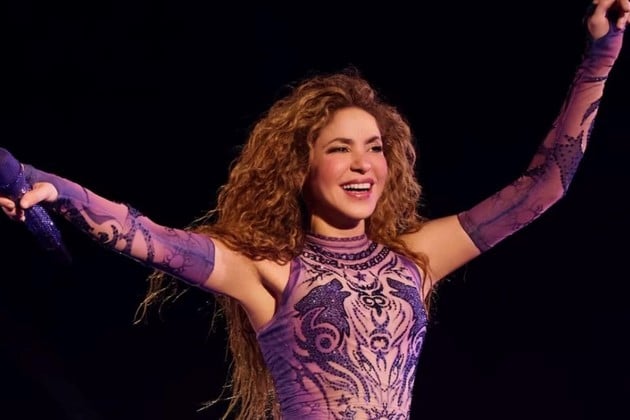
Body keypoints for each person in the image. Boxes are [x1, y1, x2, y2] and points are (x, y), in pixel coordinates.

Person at [1, 1, 628, 419]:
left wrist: (600, 56)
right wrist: (53, 189)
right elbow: (148, 235)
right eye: (339, 149)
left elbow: (542, 187)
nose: (363, 164)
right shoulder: (266, 267)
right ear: (301, 168)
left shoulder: (417, 257)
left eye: (374, 148)